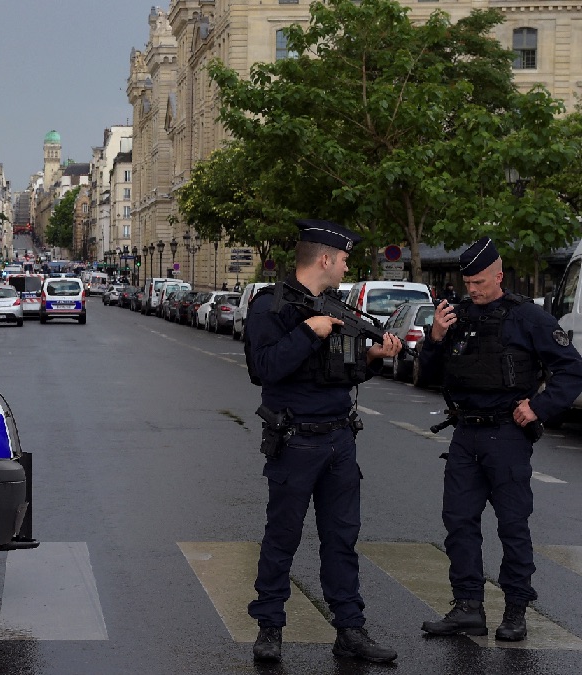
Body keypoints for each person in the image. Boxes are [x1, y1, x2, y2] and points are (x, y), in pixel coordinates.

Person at [245, 219, 402, 664]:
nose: (348, 264)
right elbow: (264, 368)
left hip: (339, 439)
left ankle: (350, 629)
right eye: (345, 257)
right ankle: (270, 627)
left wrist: (373, 357)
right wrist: (307, 333)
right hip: (296, 441)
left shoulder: (338, 307)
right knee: (282, 537)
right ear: (325, 259)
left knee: (342, 539)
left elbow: (346, 372)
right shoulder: (269, 306)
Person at [417, 237, 582, 641]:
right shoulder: (455, 316)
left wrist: (539, 408)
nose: (472, 289)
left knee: (512, 524)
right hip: (465, 434)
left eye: (479, 281)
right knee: (458, 522)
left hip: (506, 435)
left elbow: (572, 369)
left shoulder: (527, 317)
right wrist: (435, 337)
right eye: (468, 281)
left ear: (499, 276)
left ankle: (515, 610)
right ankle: (468, 607)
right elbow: (427, 371)